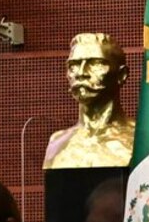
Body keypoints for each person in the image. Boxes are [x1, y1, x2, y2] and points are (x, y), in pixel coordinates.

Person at [42, 33, 136, 169]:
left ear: (121, 75)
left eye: (96, 64)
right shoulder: (57, 143)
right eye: (73, 65)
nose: (81, 73)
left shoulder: (139, 141)